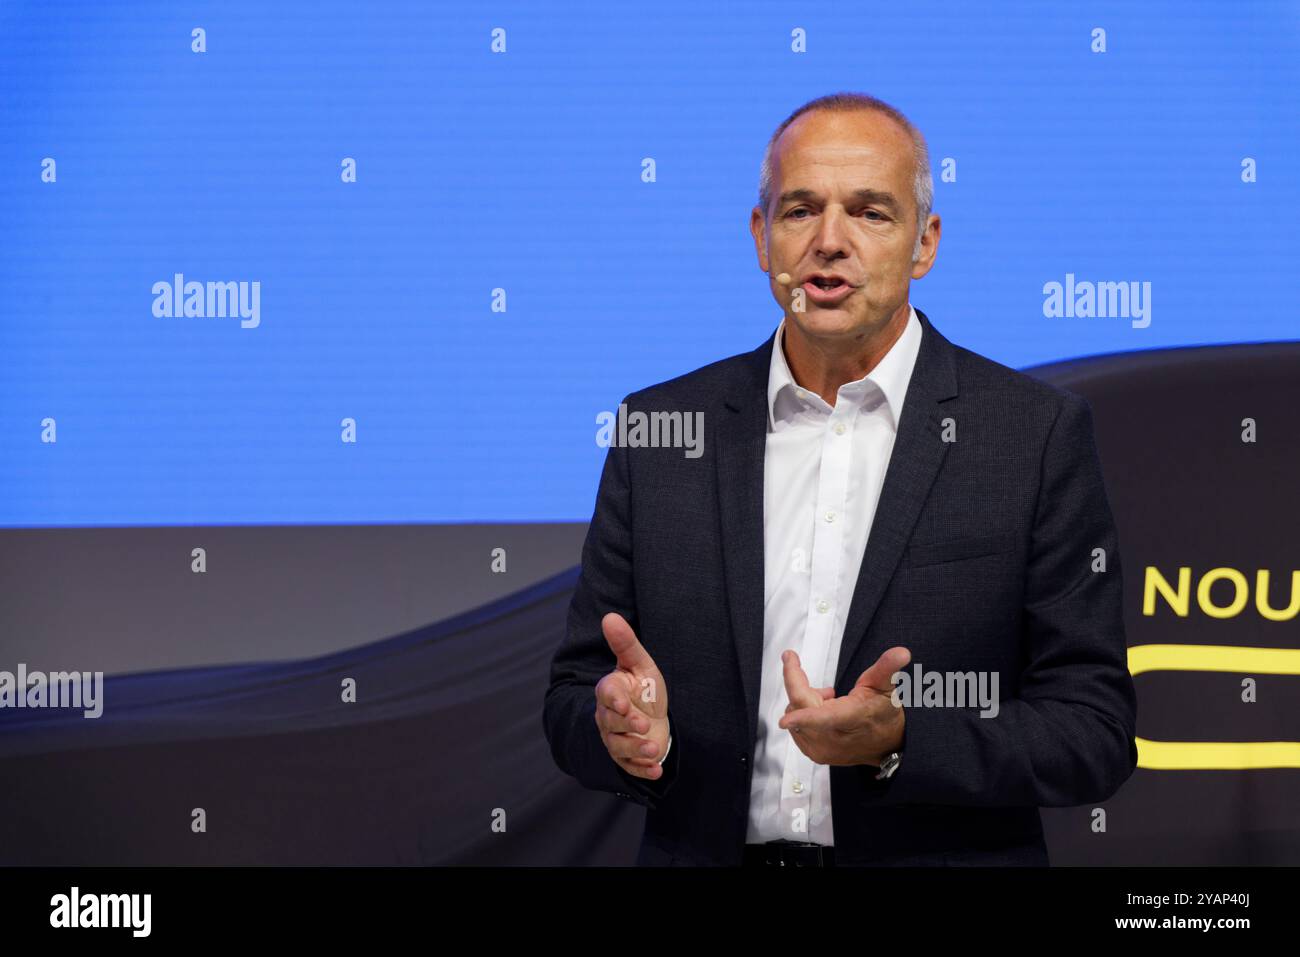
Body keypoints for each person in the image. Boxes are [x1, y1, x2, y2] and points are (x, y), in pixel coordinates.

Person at [542, 91, 1138, 866]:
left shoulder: (1031, 436)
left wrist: (901, 738)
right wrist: (619, 731)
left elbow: (1091, 728)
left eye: (869, 213)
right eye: (799, 211)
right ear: (761, 237)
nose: (829, 241)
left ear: (925, 243)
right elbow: (572, 697)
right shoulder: (660, 431)